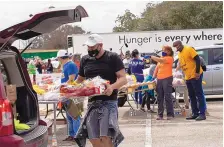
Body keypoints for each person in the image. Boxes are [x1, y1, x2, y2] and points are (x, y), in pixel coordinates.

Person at [75, 34, 127, 147]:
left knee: (106, 138)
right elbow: (80, 79)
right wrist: (70, 89)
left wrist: (112, 87)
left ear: (100, 45)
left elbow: (123, 79)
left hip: (108, 102)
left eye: (92, 47)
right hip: (92, 103)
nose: (90, 49)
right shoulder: (85, 59)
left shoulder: (112, 57)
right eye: (88, 47)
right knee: (93, 138)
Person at [173, 41, 207, 121]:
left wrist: (197, 72)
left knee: (199, 94)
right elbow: (182, 65)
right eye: (175, 47)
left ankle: (202, 114)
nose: (176, 48)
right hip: (188, 77)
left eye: (177, 46)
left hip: (195, 75)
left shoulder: (189, 49)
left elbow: (197, 59)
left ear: (180, 44)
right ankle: (195, 113)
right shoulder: (180, 54)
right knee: (191, 95)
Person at [57, 50, 81, 141]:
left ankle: (77, 135)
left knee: (75, 116)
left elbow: (71, 80)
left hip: (72, 94)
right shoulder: (66, 66)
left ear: (60, 58)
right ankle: (72, 135)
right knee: (69, 116)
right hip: (67, 93)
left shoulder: (70, 65)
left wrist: (61, 87)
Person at [151, 46, 174, 120]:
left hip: (167, 79)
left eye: (165, 50)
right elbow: (157, 68)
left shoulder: (169, 58)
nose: (163, 52)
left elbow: (160, 60)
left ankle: (170, 114)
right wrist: (153, 77)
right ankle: (160, 114)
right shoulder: (161, 59)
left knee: (167, 96)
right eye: (163, 50)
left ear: (169, 52)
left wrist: (152, 57)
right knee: (160, 97)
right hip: (159, 79)